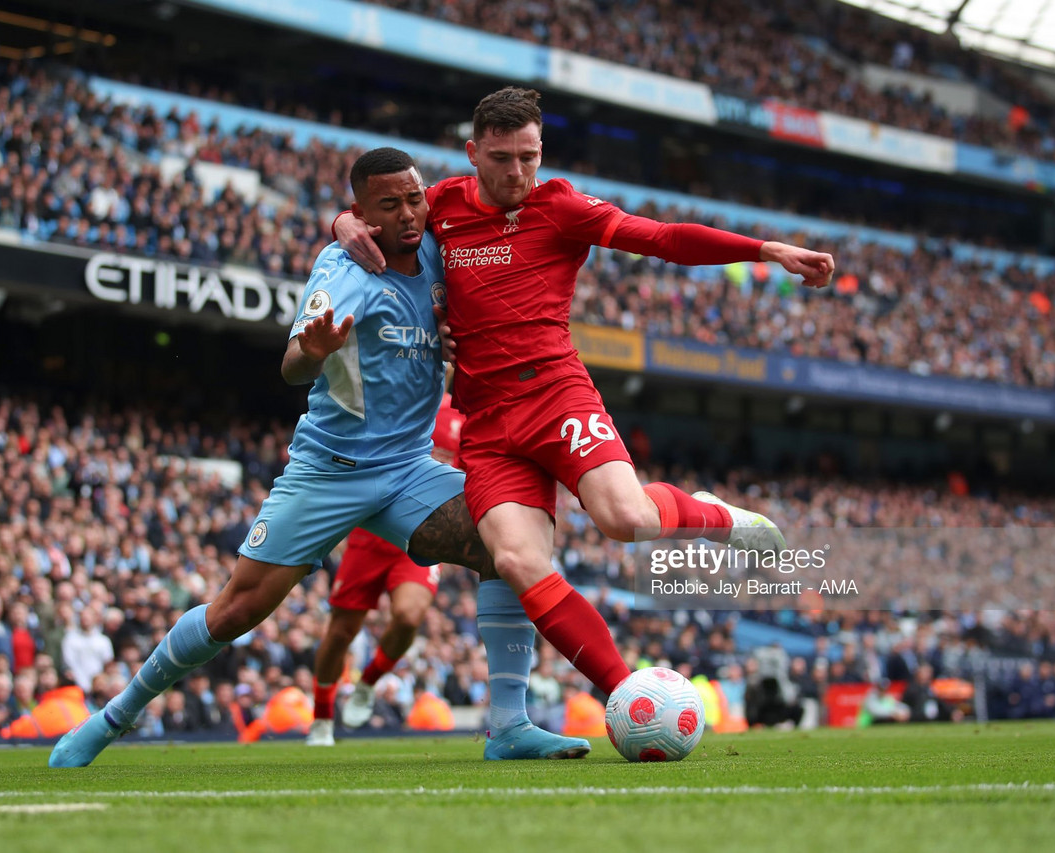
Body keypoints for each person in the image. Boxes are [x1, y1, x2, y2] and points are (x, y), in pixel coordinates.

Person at [49, 147, 590, 767]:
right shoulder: (343, 268)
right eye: (390, 205)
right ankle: (115, 716)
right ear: (363, 213)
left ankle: (509, 725)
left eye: (414, 198)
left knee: (509, 543)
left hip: (409, 468)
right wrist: (313, 348)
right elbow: (291, 367)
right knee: (235, 612)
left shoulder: (441, 248)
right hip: (329, 468)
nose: (411, 214)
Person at [334, 86, 835, 697]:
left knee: (625, 519)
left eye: (529, 156)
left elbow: (662, 237)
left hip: (555, 394)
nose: (517, 171)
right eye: (501, 158)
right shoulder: (438, 204)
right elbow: (372, 213)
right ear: (472, 153)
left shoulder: (563, 207)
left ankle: (717, 514)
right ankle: (627, 694)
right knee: (517, 561)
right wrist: (342, 222)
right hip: (487, 422)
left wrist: (764, 249)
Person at [308, 392, 464, 747]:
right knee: (341, 632)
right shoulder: (399, 399)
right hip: (371, 533)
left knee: (409, 617)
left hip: (419, 537)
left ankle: (367, 683)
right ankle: (321, 718)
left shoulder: (465, 417)